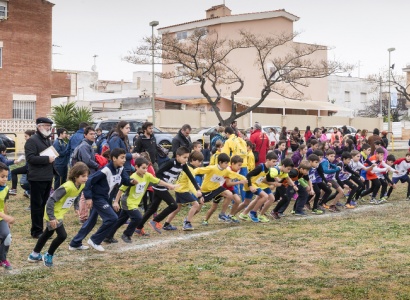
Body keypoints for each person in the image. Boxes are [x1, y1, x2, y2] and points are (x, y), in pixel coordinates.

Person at [68, 148, 136, 252]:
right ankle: (95, 240)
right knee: (112, 218)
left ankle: (75, 243)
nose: (124, 160)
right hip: (98, 198)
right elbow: (89, 181)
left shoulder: (120, 168)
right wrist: (89, 197)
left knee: (91, 221)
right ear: (113, 158)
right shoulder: (106, 170)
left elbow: (125, 180)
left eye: (125, 158)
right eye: (122, 158)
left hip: (106, 198)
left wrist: (131, 181)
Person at [27, 162, 89, 267]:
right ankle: (48, 254)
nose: (86, 178)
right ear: (75, 176)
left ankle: (34, 255)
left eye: (87, 176)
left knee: (48, 233)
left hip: (59, 213)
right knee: (62, 235)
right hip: (53, 213)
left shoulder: (81, 185)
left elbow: (76, 196)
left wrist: (76, 207)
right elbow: (51, 200)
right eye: (83, 176)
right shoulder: (67, 187)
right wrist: (52, 217)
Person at [106, 157, 177, 243]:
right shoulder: (132, 178)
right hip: (127, 202)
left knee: (121, 220)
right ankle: (126, 234)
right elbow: (121, 189)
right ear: (136, 167)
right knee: (138, 217)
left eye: (146, 168)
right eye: (143, 168)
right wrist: (116, 202)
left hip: (134, 202)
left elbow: (158, 181)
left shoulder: (147, 176)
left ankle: (108, 236)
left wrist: (169, 185)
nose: (145, 170)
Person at [135, 146, 202, 234]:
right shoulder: (171, 162)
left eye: (187, 157)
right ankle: (155, 221)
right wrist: (167, 184)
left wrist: (197, 189)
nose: (186, 160)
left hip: (163, 187)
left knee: (152, 208)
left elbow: (191, 177)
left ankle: (139, 227)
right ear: (178, 156)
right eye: (184, 157)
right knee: (173, 205)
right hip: (160, 186)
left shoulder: (183, 165)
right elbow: (158, 173)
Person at [194, 153, 246, 224]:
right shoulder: (212, 168)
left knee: (230, 195)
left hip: (217, 189)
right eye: (225, 163)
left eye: (228, 163)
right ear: (220, 162)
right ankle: (194, 219)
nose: (227, 165)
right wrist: (190, 173)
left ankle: (222, 214)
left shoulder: (226, 170)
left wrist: (243, 178)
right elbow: (199, 170)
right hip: (206, 190)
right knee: (201, 208)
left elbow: (234, 174)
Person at [25, 117, 55, 239]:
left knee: (44, 205)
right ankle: (36, 231)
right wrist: (47, 159)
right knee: (37, 205)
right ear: (39, 126)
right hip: (37, 178)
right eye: (46, 126)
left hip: (47, 176)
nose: (48, 128)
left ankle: (42, 228)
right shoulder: (32, 140)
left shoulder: (47, 140)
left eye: (49, 126)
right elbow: (30, 158)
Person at [162, 151, 204, 231]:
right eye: (199, 161)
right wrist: (197, 193)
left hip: (179, 189)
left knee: (177, 208)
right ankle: (187, 223)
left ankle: (166, 224)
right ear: (193, 160)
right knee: (195, 204)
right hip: (182, 190)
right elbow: (190, 183)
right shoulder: (190, 169)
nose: (200, 163)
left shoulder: (185, 166)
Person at [238, 151, 278, 222]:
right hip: (252, 184)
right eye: (273, 161)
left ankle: (239, 214)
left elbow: (268, 179)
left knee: (246, 202)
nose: (274, 164)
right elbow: (248, 175)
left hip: (256, 184)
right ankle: (253, 213)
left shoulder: (268, 169)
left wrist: (274, 182)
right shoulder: (260, 167)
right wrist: (250, 186)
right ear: (267, 160)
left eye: (275, 162)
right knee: (264, 196)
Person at [10, 129, 35, 196]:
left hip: (30, 167)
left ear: (31, 136)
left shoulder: (31, 143)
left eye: (26, 136)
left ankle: (29, 192)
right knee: (14, 172)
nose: (24, 138)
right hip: (28, 166)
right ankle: (15, 190)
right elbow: (25, 154)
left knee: (26, 183)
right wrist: (19, 160)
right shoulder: (29, 143)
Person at [0, 162, 15, 270]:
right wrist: (5, 217)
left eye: (6, 176)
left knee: (7, 237)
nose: (5, 179)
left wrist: (6, 219)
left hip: (1, 217)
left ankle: (3, 259)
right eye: (2, 176)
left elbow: (4, 204)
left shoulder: (5, 189)